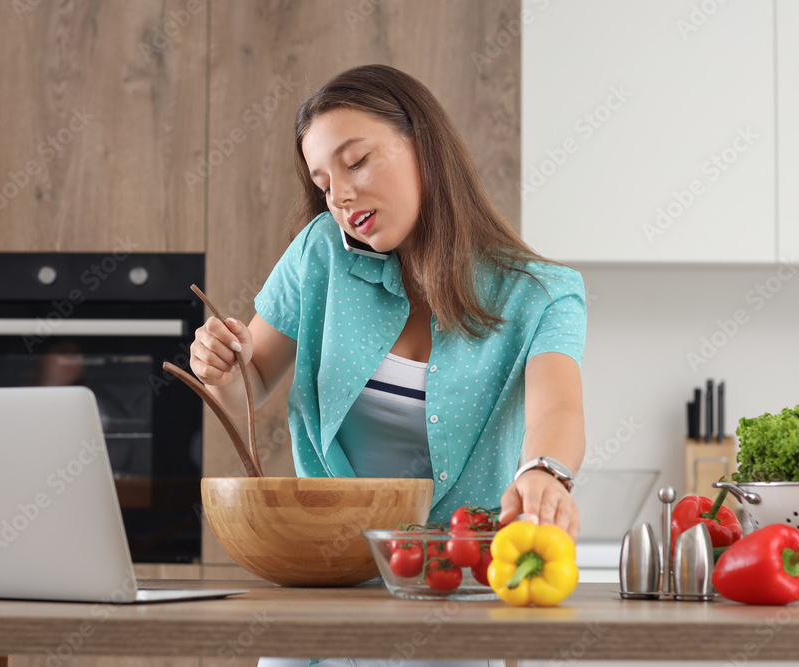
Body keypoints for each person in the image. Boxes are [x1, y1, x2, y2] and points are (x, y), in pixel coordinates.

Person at [189, 64, 586, 667]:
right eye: (322, 181)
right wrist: (222, 364)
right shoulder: (320, 254)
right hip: (322, 591)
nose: (339, 196)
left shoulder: (540, 293)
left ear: (423, 145)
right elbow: (254, 376)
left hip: (454, 593)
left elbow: (557, 406)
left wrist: (543, 472)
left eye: (356, 162)